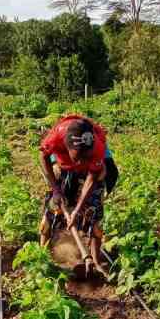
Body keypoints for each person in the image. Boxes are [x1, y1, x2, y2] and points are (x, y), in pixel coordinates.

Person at [39, 114, 119, 273]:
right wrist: (56, 190)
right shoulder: (56, 137)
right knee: (52, 209)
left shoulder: (97, 148)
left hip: (95, 171)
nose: (81, 162)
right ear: (67, 148)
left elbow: (93, 177)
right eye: (78, 158)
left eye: (85, 158)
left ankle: (95, 260)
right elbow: (43, 156)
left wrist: (76, 210)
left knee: (94, 211)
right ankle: (43, 256)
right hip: (63, 167)